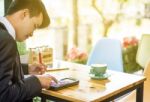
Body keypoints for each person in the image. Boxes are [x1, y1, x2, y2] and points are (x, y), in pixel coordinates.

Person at [0, 0, 57, 102]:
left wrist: (27, 69)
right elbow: (4, 95)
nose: (32, 34)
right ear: (24, 14)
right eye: (34, 26)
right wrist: (37, 82)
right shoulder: (6, 40)